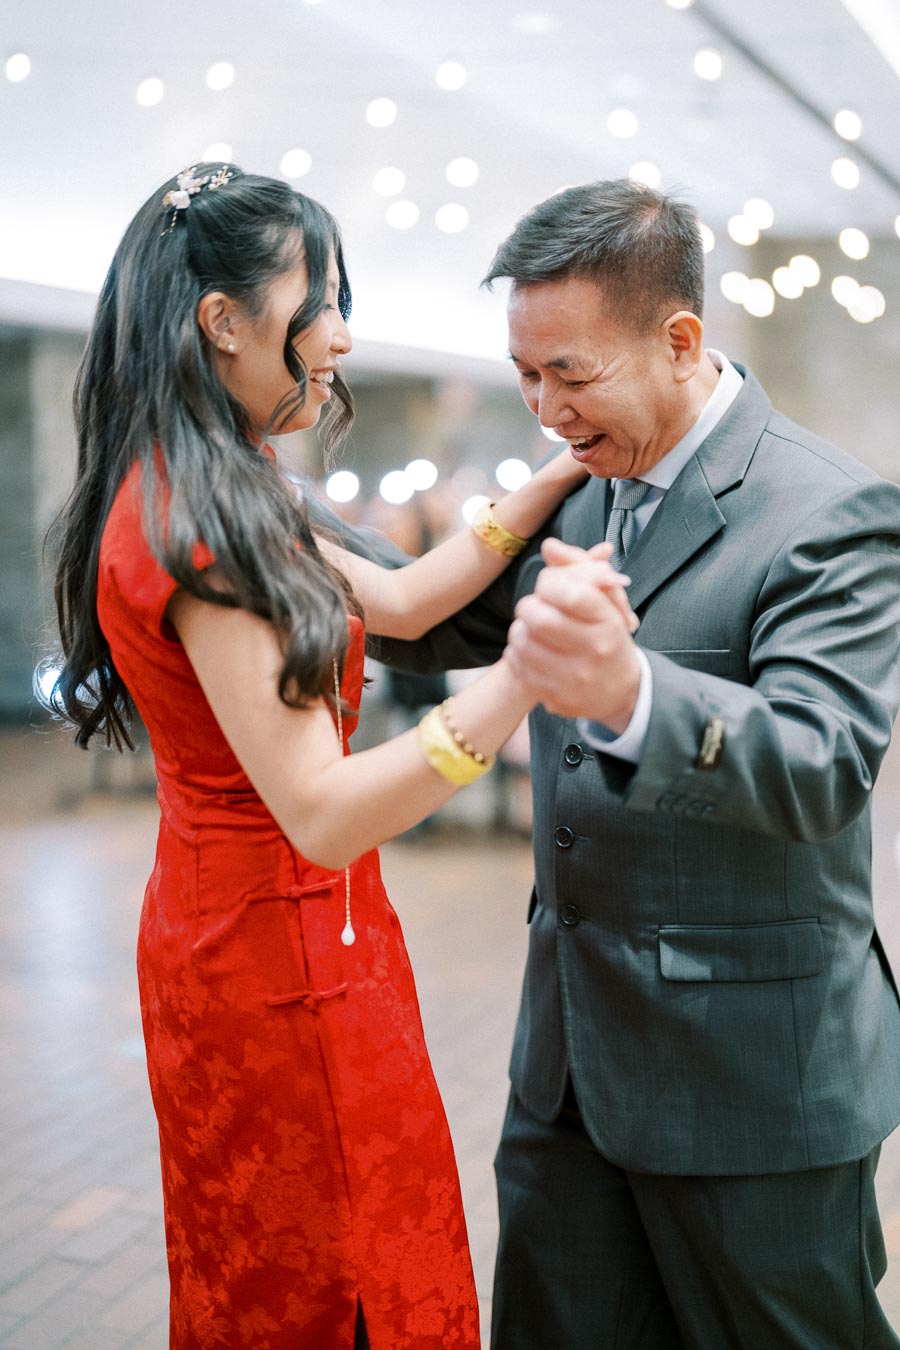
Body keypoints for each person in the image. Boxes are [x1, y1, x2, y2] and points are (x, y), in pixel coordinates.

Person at [48, 164, 632, 1350]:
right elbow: (319, 810)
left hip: (302, 940)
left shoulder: (224, 478)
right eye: (322, 298)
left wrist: (563, 467)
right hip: (273, 971)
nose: (345, 334)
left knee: (336, 1260)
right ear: (223, 322)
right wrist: (525, 679)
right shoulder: (200, 522)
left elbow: (409, 602)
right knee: (325, 1285)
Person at [361, 179, 900, 1348]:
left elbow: (824, 763)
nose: (546, 408)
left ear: (681, 341)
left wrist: (632, 693)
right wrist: (235, 465)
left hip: (752, 1084)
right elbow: (419, 620)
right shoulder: (585, 485)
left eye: (571, 374)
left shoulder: (829, 510)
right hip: (566, 1077)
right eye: (526, 375)